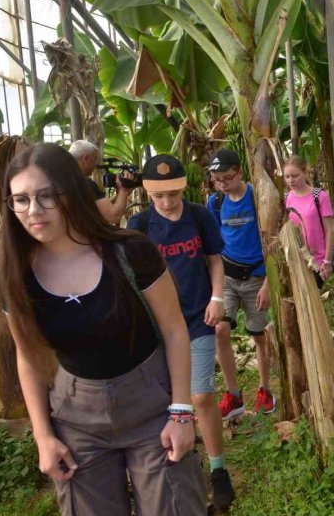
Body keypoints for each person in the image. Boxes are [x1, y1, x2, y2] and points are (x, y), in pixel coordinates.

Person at [0, 143, 206, 516]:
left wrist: (181, 414)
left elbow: (175, 331)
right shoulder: (18, 275)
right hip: (76, 419)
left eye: (46, 197)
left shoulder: (131, 252)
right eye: (21, 199)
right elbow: (28, 356)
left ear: (72, 193)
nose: (33, 211)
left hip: (150, 406)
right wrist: (44, 438)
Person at [126, 154, 236, 511]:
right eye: (160, 196)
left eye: (173, 194)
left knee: (201, 396)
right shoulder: (139, 225)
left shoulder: (200, 215)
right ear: (148, 193)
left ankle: (219, 469)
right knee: (168, 403)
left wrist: (218, 296)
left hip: (196, 318)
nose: (168, 202)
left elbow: (214, 260)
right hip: (158, 328)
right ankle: (180, 463)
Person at [206, 148, 277, 420]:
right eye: (216, 179)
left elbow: (273, 241)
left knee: (259, 337)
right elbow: (212, 247)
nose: (222, 183)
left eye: (226, 177)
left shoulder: (257, 198)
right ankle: (233, 395)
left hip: (257, 278)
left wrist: (269, 283)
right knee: (220, 329)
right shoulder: (214, 203)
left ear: (239, 173)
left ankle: (265, 390)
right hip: (227, 277)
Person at [284, 156, 334, 288]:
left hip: (317, 259)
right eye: (287, 176)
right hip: (296, 258)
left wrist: (328, 260)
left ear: (305, 173)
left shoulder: (319, 196)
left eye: (295, 176)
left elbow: (329, 229)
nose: (291, 180)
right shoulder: (286, 198)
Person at [69, 140, 130, 225]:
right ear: (85, 158)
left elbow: (97, 207)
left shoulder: (62, 179)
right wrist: (124, 191)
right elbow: (114, 217)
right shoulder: (85, 183)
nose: (96, 165)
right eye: (94, 159)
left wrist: (118, 195)